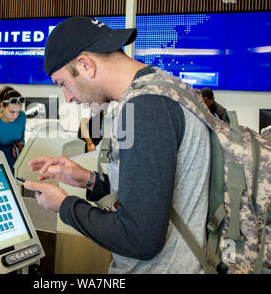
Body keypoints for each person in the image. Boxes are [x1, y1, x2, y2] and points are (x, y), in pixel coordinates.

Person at [23, 16, 211, 274]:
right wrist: (89, 180)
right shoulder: (162, 89)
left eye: (63, 83)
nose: (67, 98)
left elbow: (139, 238)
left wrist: (63, 205)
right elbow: (151, 193)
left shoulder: (145, 107)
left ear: (86, 65)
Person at [0, 86, 26, 174]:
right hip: (0, 164)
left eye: (18, 112)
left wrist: (19, 147)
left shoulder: (22, 117)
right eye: (12, 112)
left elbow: (22, 138)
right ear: (2, 106)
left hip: (17, 160)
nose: (15, 116)